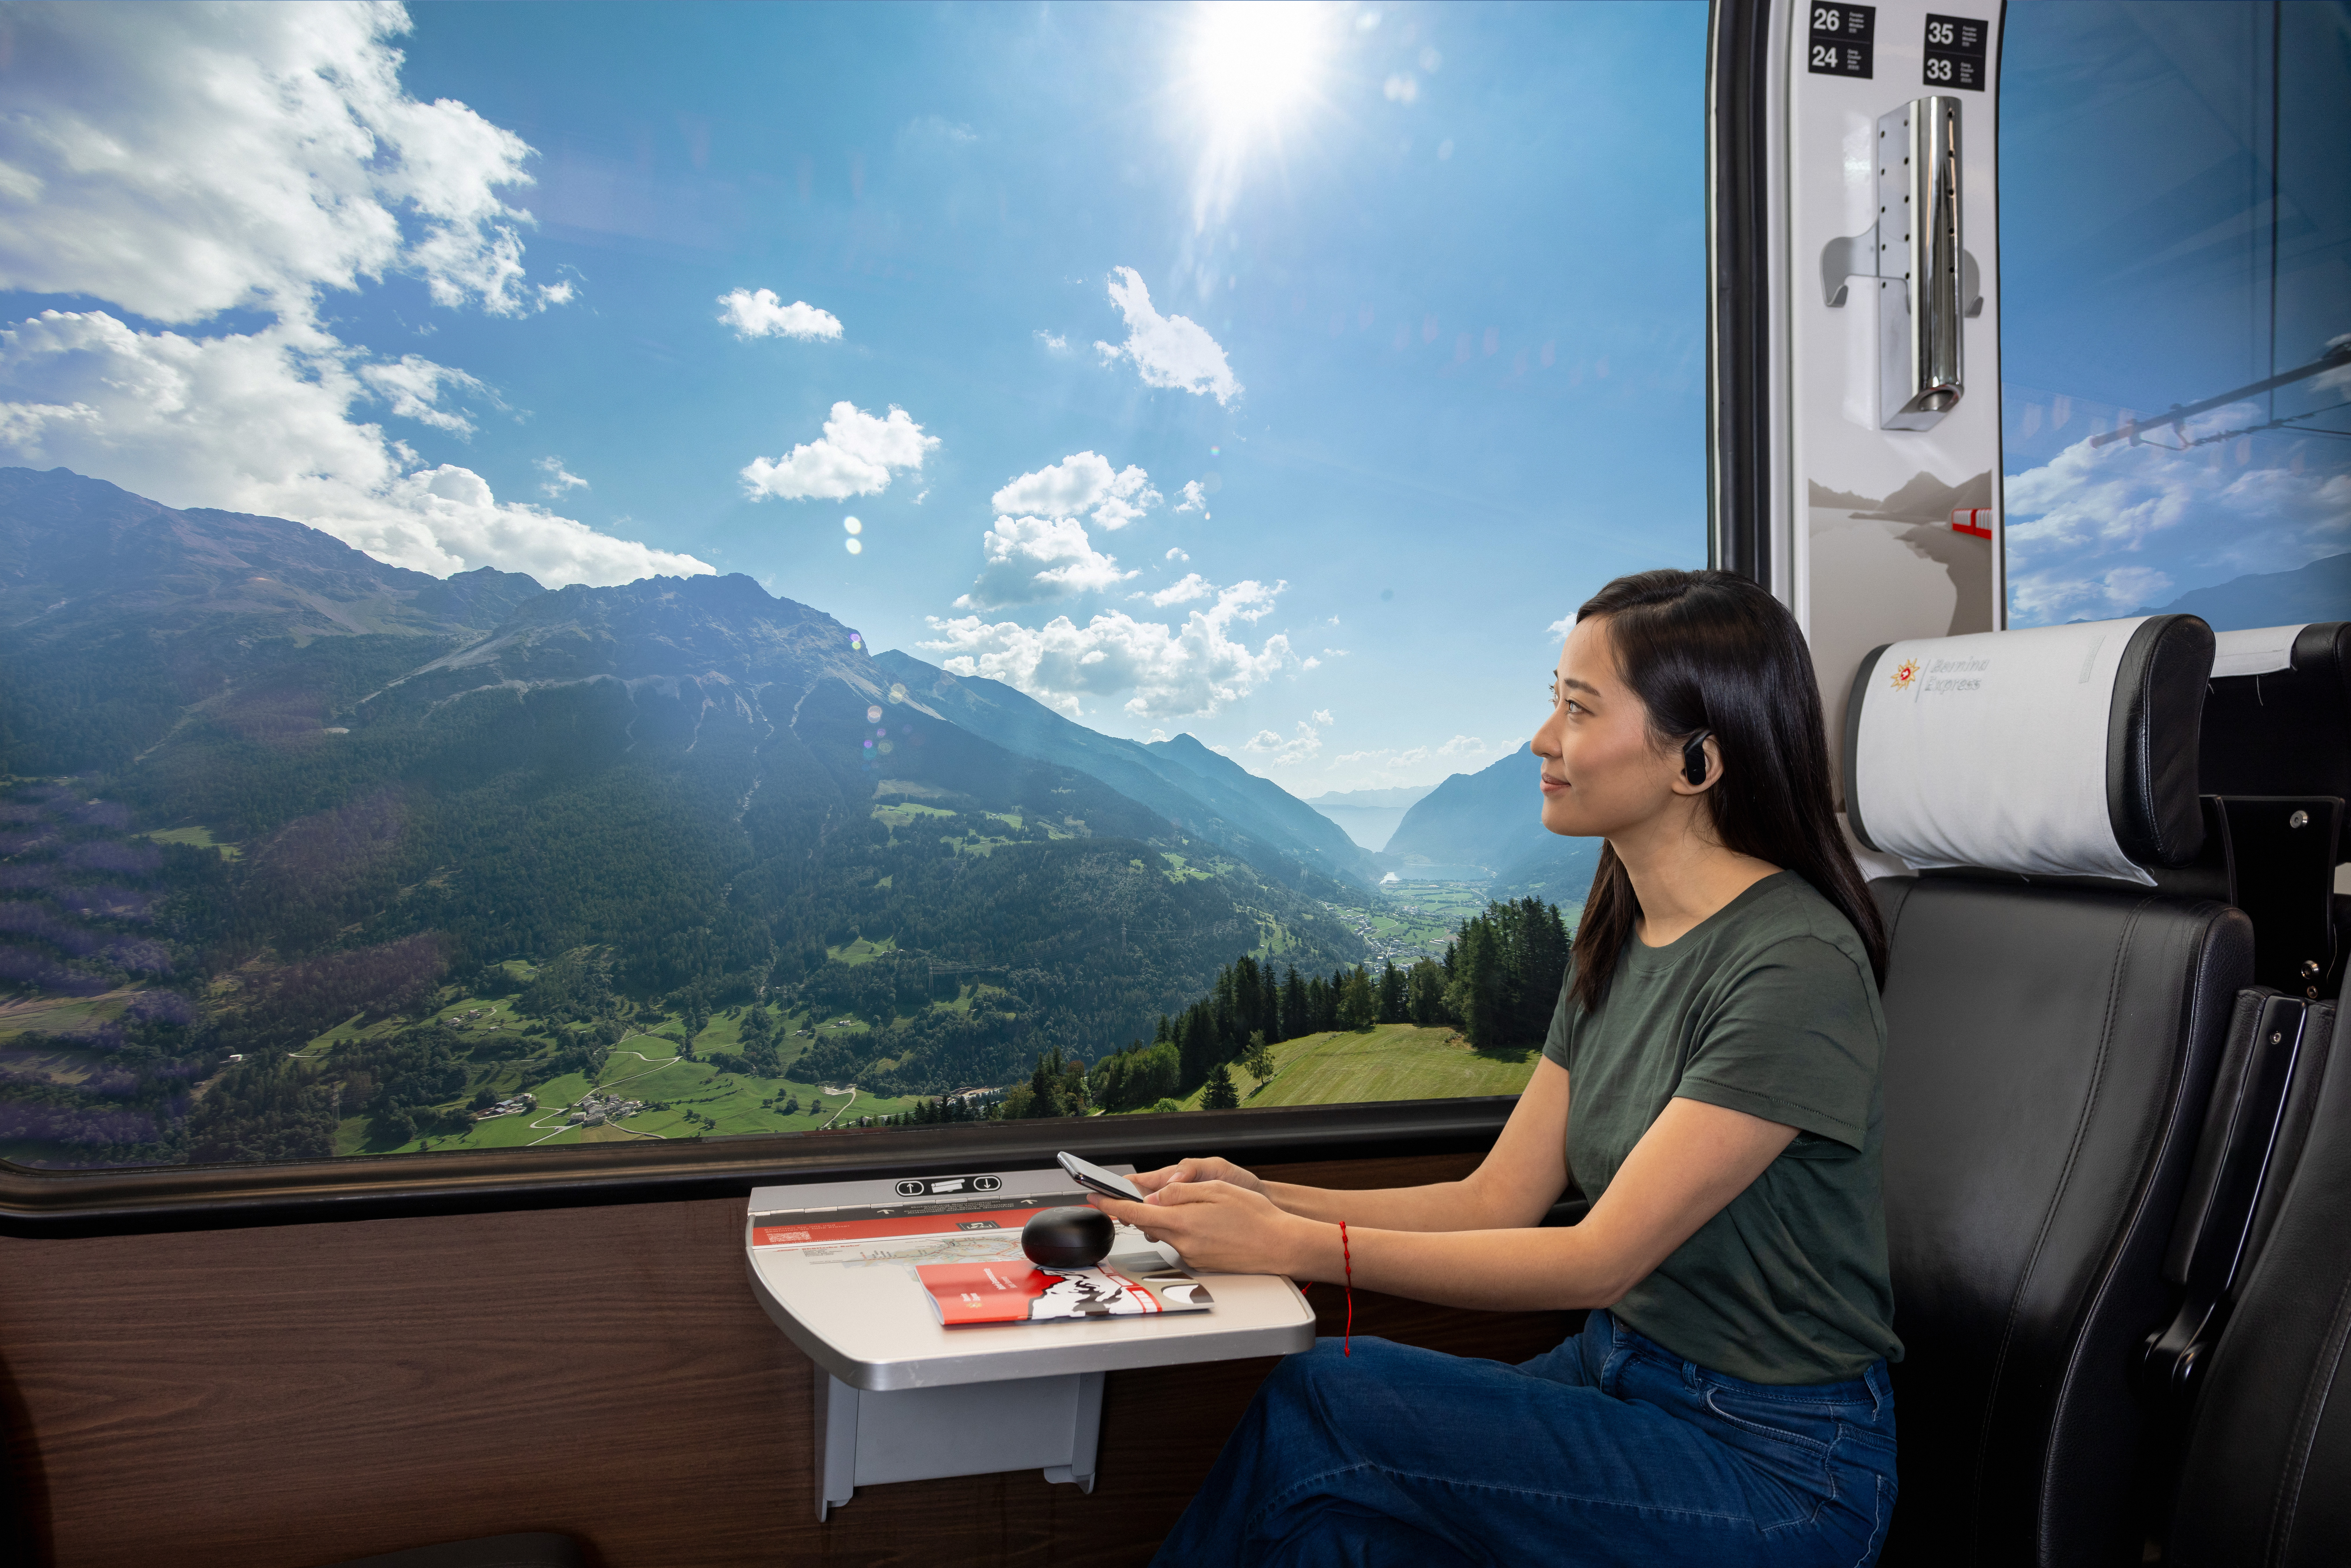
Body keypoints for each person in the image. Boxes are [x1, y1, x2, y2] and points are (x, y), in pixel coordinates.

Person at [1092, 568, 1901, 1568]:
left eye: (1579, 709)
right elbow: (1498, 1199)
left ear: (1697, 760)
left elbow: (1598, 1260)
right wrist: (1263, 1196)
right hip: (1619, 1374)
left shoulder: (1794, 964)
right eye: (1552, 701)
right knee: (1334, 1533)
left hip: (1776, 1463)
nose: (1540, 740)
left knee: (1328, 1394)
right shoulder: (1622, 935)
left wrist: (1291, 1246)